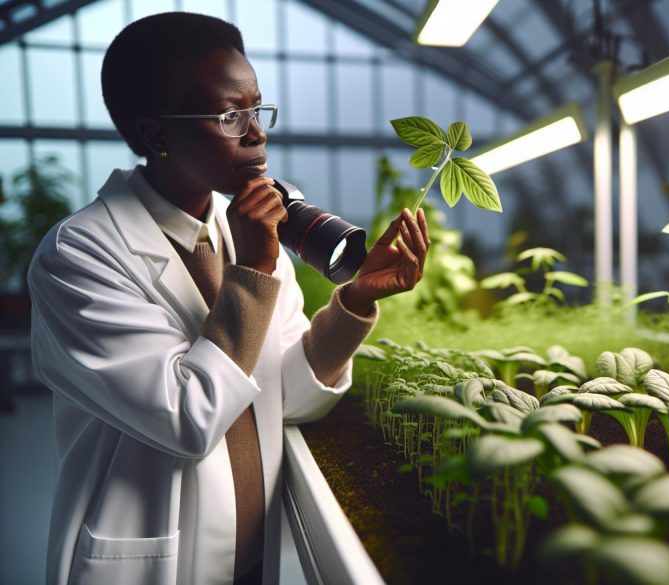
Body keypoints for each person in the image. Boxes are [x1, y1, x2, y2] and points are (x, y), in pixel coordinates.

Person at [28, 11, 429, 585]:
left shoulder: (241, 231)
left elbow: (284, 395)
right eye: (229, 115)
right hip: (149, 564)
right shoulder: (79, 254)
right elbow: (185, 419)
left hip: (250, 555)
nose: (257, 133)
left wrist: (357, 299)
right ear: (156, 134)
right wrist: (254, 272)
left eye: (257, 108)